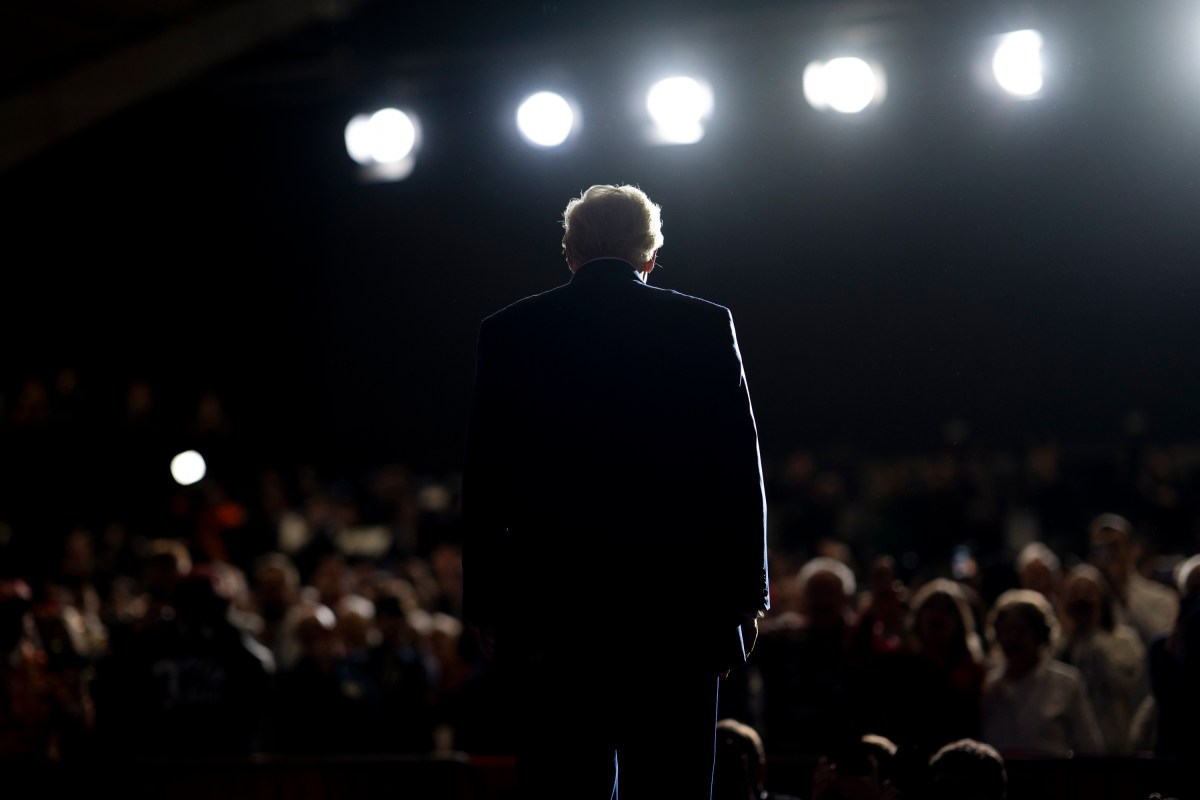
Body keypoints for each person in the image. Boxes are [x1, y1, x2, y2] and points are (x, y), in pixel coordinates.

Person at [461, 183, 770, 799]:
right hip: (676, 614)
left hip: (552, 615)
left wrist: (487, 604)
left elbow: (485, 480)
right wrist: (745, 596)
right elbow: (736, 467)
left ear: (570, 253)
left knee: (561, 786)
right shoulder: (704, 326)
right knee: (672, 785)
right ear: (650, 254)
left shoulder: (509, 332)